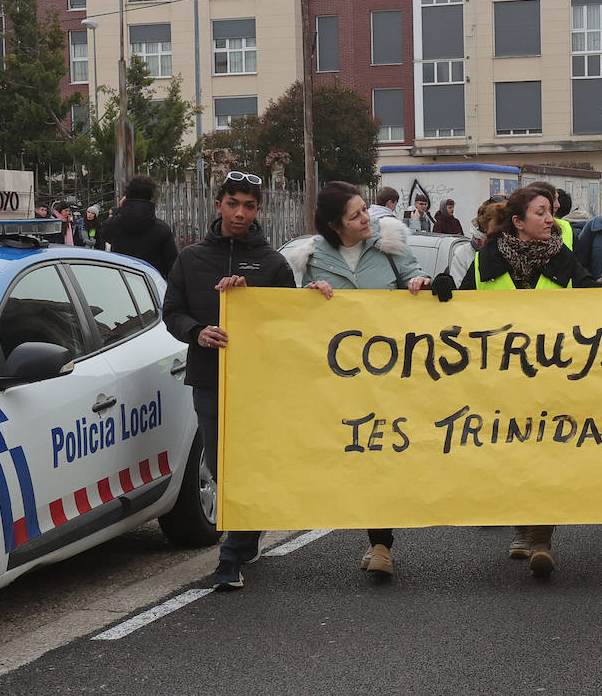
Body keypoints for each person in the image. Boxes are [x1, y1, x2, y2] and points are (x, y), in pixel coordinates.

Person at [288, 181, 433, 579]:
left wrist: (418, 283)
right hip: (339, 380)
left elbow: (415, 274)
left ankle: (382, 542)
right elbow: (296, 315)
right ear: (335, 225)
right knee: (357, 458)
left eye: (364, 210)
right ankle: (376, 540)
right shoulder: (311, 258)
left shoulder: (389, 244)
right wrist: (310, 294)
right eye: (355, 216)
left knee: (382, 455)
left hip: (388, 375)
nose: (366, 218)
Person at [161, 172, 296, 591]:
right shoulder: (190, 258)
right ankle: (246, 534)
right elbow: (172, 312)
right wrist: (197, 331)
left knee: (250, 463)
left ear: (259, 210)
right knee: (222, 466)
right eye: (233, 203)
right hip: (209, 379)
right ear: (218, 203)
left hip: (260, 384)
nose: (240, 213)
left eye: (249, 206)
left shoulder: (273, 263)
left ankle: (230, 555)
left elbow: (292, 320)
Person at [458, 186, 595, 577]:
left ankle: (541, 537)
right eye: (541, 213)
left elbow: (593, 298)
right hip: (503, 382)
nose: (551, 219)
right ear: (518, 222)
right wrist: (443, 291)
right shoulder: (486, 262)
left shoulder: (564, 259)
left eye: (550, 212)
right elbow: (463, 310)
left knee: (549, 455)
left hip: (553, 379)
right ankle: (521, 524)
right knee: (514, 455)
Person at [100, 174, 179, 277]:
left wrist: (120, 209)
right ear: (151, 195)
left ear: (127, 194)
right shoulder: (162, 229)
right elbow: (172, 266)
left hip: (122, 282)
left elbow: (105, 233)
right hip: (151, 285)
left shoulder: (115, 224)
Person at [527, 181, 575, 247]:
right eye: (540, 213)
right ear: (518, 222)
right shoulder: (510, 247)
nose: (558, 205)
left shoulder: (564, 227)